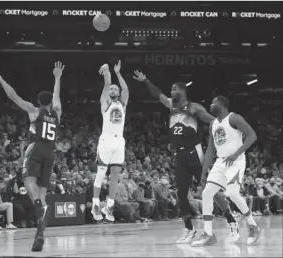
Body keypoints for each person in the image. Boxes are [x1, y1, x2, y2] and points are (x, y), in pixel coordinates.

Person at [133, 71, 233, 244]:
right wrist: (146, 81)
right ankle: (189, 229)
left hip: (194, 152)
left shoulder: (194, 107)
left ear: (182, 91)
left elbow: (212, 121)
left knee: (208, 186)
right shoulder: (171, 105)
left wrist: (229, 126)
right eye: (171, 90)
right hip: (179, 154)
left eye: (174, 89)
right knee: (181, 193)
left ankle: (230, 218)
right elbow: (158, 94)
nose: (171, 92)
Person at [0, 61, 64, 252]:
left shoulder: (34, 111)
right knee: (44, 194)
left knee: (29, 181)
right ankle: (40, 233)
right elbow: (57, 96)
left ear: (38, 102)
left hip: (36, 148)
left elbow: (13, 96)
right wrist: (57, 77)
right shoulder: (58, 111)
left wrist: (0, 78)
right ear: (50, 103)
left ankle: (37, 204)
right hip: (51, 152)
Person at [192, 96, 261, 246]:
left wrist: (236, 153)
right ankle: (209, 234)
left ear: (222, 105)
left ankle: (253, 226)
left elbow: (252, 136)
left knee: (233, 194)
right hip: (220, 162)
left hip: (236, 161)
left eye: (213, 103)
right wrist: (204, 172)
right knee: (206, 193)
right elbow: (210, 149)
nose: (210, 105)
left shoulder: (234, 118)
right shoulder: (213, 123)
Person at [92, 61, 129, 223]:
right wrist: (107, 70)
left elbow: (126, 89)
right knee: (101, 172)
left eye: (116, 89)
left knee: (115, 175)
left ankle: (109, 206)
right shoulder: (105, 102)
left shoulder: (123, 103)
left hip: (119, 142)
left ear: (118, 93)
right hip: (106, 140)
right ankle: (95, 205)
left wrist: (118, 73)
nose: (113, 90)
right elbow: (107, 83)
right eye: (112, 89)